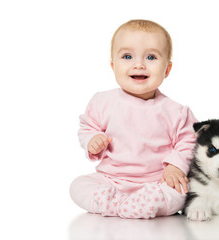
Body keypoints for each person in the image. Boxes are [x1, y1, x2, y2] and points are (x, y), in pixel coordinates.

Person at [69, 19, 197, 219]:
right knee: (78, 186)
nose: (139, 64)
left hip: (156, 182)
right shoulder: (102, 101)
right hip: (111, 180)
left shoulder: (177, 111)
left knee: (180, 193)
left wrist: (175, 166)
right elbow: (87, 127)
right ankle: (114, 203)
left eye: (151, 57)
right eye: (127, 56)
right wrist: (92, 140)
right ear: (113, 66)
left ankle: (145, 202)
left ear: (167, 69)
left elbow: (189, 142)